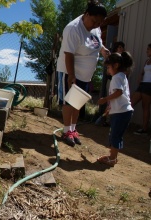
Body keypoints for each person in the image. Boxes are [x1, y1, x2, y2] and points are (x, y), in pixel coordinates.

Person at [57, 0, 110, 147]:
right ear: (86, 14)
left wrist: (103, 50)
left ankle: (73, 130)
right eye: (94, 21)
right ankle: (66, 131)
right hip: (69, 70)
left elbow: (96, 42)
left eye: (99, 22)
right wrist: (72, 75)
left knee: (78, 102)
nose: (96, 25)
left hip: (86, 75)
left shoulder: (96, 27)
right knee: (69, 102)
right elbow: (69, 55)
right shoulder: (73, 29)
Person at [97, 52, 134, 166]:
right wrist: (110, 108)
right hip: (122, 111)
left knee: (115, 135)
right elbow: (120, 95)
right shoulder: (121, 76)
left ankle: (112, 158)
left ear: (116, 65)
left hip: (121, 112)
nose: (108, 70)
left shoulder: (117, 77)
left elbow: (119, 92)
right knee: (115, 134)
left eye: (108, 67)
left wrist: (105, 99)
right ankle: (112, 156)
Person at [130, 43, 151, 135]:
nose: (147, 51)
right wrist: (140, 76)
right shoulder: (147, 61)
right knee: (131, 103)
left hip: (149, 86)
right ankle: (121, 122)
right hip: (142, 85)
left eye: (148, 49)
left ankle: (144, 128)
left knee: (145, 107)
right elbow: (143, 71)